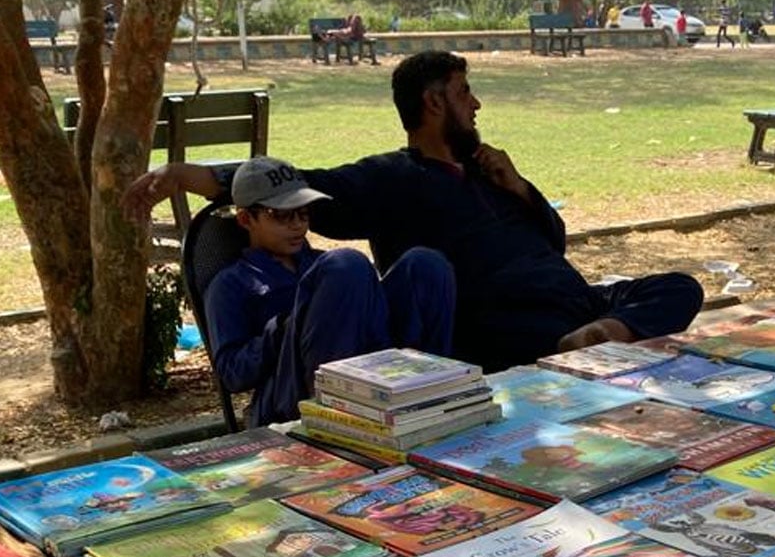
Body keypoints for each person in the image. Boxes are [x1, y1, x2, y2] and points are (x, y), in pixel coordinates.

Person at [124, 51, 704, 374]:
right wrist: (186, 176)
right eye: (463, 91)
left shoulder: (488, 169)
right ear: (432, 103)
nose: (475, 103)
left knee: (680, 286)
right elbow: (297, 186)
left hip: (579, 301)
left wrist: (520, 185)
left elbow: (554, 242)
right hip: (506, 322)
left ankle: (606, 333)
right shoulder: (389, 179)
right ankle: (588, 347)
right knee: (521, 329)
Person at [201, 156, 456, 427]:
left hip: (366, 370)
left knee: (425, 265)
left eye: (304, 212)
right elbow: (232, 373)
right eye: (283, 215)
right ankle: (339, 412)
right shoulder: (232, 283)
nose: (298, 225)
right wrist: (287, 326)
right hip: (291, 398)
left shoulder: (323, 265)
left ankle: (429, 391)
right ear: (246, 218)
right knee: (348, 263)